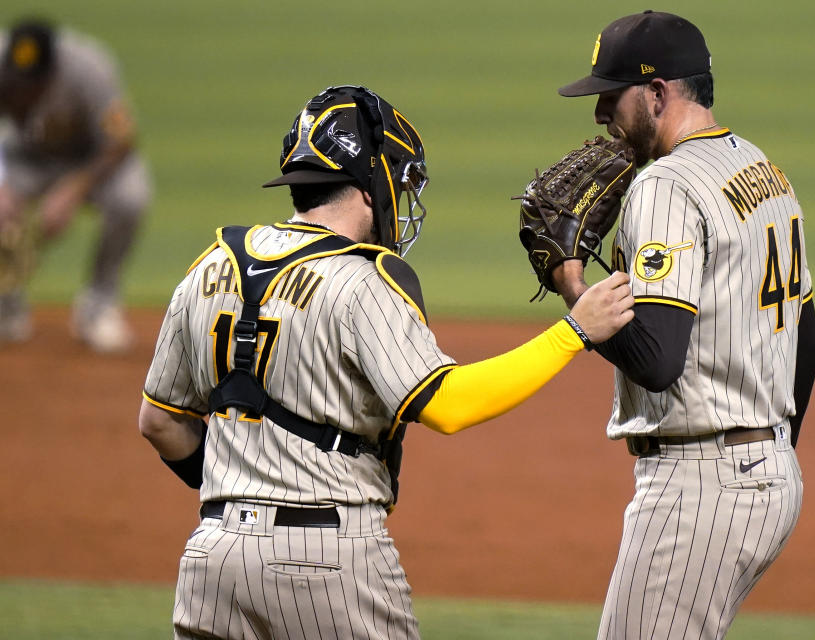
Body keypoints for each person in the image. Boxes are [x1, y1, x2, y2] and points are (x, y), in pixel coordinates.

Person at [138, 84, 634, 640]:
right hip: (325, 565)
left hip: (211, 560)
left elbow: (160, 421)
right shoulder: (363, 279)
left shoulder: (212, 265)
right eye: (398, 177)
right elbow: (448, 405)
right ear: (370, 180)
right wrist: (573, 333)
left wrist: (246, 496)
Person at [550, 11, 815, 639]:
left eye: (609, 97)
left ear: (657, 93)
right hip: (768, 478)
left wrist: (573, 285)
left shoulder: (664, 186)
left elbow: (657, 360)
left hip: (700, 489)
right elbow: (806, 342)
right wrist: (772, 454)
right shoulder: (762, 170)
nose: (598, 117)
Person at [0, 18, 150, 352]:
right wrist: (3, 182)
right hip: (27, 160)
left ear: (54, 69)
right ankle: (5, 304)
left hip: (91, 162)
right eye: (18, 81)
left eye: (34, 82)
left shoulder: (89, 67)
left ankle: (98, 306)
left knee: (130, 198)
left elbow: (121, 140)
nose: (25, 90)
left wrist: (71, 191)